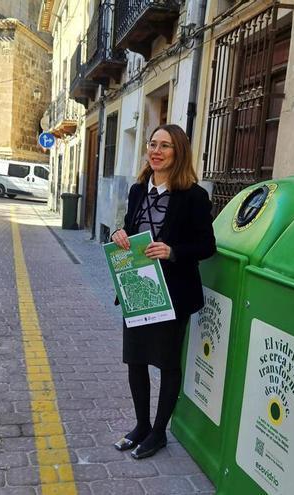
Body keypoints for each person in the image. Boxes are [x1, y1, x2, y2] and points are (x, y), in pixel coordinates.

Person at [110, 124, 216, 460]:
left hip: (174, 293)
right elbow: (130, 229)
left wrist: (173, 252)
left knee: (168, 363)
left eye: (165, 146)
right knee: (136, 359)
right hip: (137, 287)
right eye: (152, 144)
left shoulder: (194, 197)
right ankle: (141, 426)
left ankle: (158, 433)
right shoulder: (138, 190)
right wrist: (118, 234)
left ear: (178, 152)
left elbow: (207, 245)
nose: (156, 151)